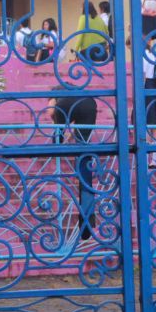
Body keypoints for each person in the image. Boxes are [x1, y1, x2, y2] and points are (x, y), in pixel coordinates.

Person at [49, 91, 101, 241]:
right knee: (84, 148)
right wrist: (72, 135)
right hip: (90, 104)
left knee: (57, 137)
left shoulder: (56, 90)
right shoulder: (81, 93)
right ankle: (87, 222)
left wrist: (57, 125)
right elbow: (77, 122)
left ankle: (57, 147)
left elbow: (51, 110)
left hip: (65, 106)